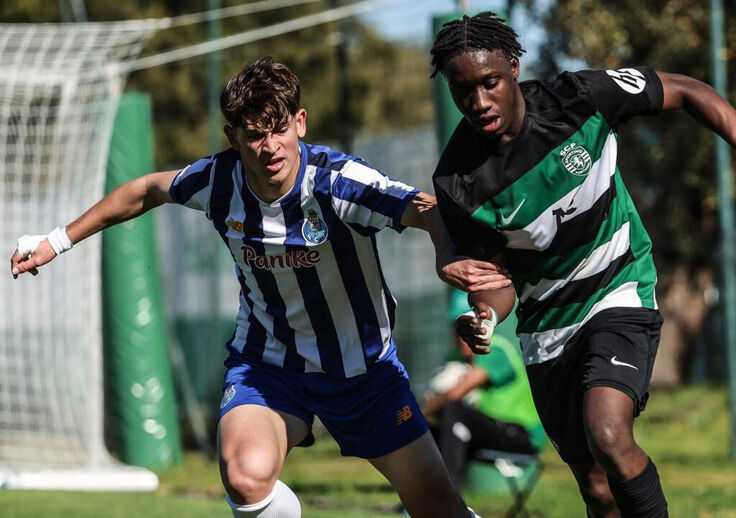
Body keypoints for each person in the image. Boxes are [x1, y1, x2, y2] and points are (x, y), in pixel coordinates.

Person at [9, 57, 508, 518]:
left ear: (300, 123)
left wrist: (447, 251)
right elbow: (146, 189)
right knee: (246, 477)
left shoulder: (338, 182)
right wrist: (58, 240)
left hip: (363, 372)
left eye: (279, 130)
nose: (269, 147)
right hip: (269, 366)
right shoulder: (217, 182)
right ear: (232, 137)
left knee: (438, 508)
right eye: (253, 135)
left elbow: (423, 206)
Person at [429, 12, 736, 518]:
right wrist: (486, 317)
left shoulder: (578, 98)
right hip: (546, 327)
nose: (479, 101)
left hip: (618, 288)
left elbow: (685, 89)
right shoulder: (458, 181)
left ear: (512, 68)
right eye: (463, 90)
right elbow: (497, 282)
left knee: (610, 435)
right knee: (596, 487)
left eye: (490, 83)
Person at [423, 291, 545, 486]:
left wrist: (419, 415)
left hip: (521, 433)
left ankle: (449, 493)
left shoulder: (494, 349)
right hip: (488, 427)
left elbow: (455, 394)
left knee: (452, 411)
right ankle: (425, 493)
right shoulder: (455, 358)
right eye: (458, 328)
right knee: (434, 427)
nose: (462, 335)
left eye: (469, 327)